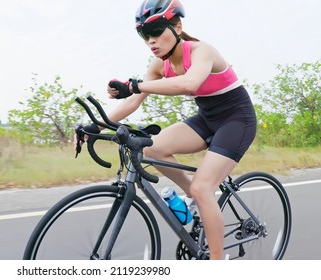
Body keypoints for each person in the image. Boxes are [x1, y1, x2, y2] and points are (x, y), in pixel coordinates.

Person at [83, 0, 257, 260]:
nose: (151, 41)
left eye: (156, 30)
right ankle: (195, 198)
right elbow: (133, 100)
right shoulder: (158, 65)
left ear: (177, 26)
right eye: (144, 34)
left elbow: (190, 83)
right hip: (206, 118)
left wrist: (135, 85)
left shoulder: (201, 51)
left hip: (237, 120)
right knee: (154, 148)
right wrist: (93, 126)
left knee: (203, 187)